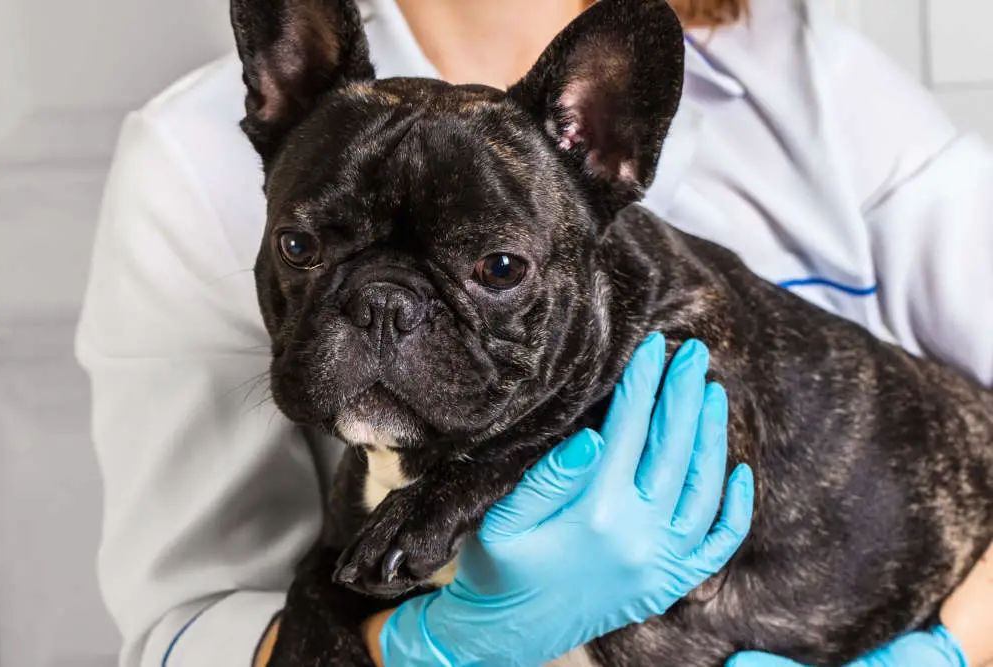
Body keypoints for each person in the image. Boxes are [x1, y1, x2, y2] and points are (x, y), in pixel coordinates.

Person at [73, 0, 993, 665]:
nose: (387, 315)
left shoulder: (812, 72)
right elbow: (183, 627)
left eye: (497, 269)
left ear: (609, 148)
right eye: (308, 247)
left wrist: (953, 650)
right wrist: (422, 649)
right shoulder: (197, 147)